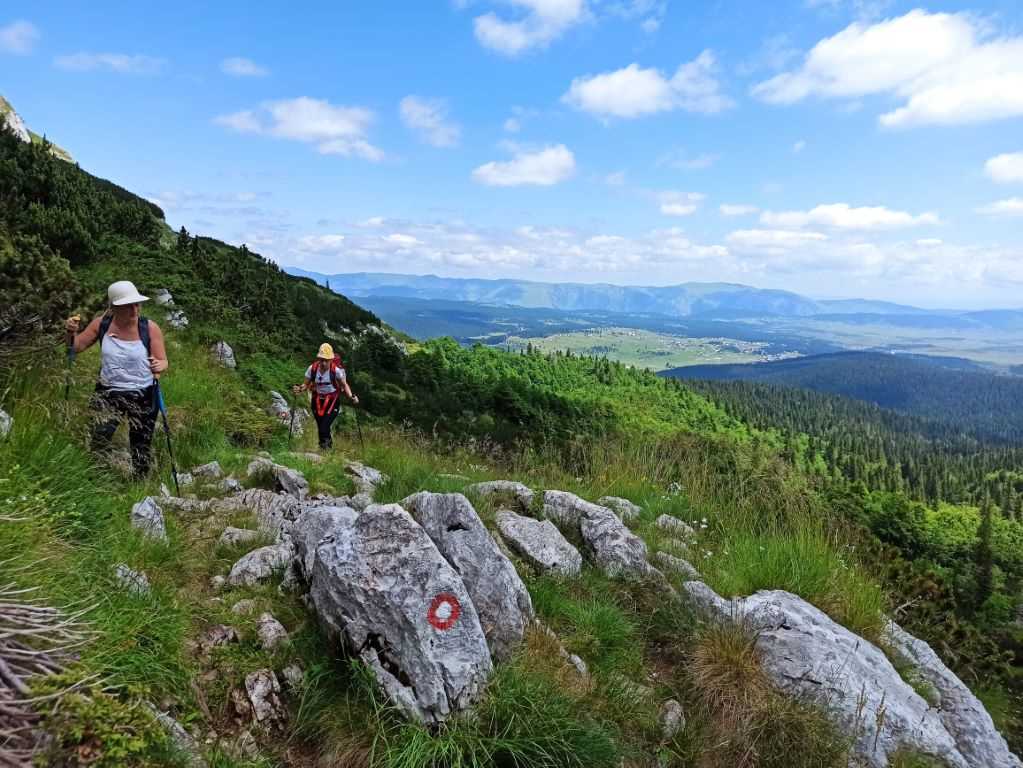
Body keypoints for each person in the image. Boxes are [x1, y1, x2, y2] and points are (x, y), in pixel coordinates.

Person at [65, 280, 168, 477]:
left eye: (137, 304)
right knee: (99, 439)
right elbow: (75, 348)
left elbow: (163, 361)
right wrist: (70, 332)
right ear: (114, 307)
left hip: (144, 393)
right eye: (128, 305)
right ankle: (93, 479)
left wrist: (159, 365)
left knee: (141, 445)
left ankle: (139, 485)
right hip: (108, 392)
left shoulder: (150, 328)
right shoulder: (101, 324)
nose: (135, 309)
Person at [293, 343, 358, 450]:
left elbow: (344, 385)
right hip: (317, 400)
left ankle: (326, 450)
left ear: (331, 360)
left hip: (332, 401)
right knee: (321, 427)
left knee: (324, 427)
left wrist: (351, 397)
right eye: (321, 359)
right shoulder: (312, 368)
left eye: (326, 360)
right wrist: (299, 388)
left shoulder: (336, 371)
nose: (323, 363)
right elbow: (306, 384)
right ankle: (325, 450)